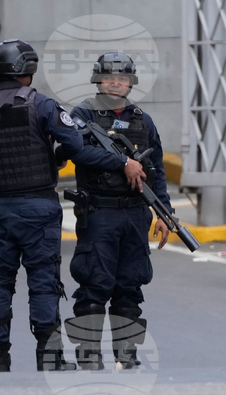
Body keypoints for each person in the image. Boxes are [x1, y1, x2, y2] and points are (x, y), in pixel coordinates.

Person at [0, 40, 131, 373]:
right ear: (28, 70)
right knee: (42, 281)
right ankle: (49, 356)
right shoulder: (42, 105)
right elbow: (74, 144)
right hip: (37, 207)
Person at [67, 53, 171, 370]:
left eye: (122, 79)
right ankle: (88, 355)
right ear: (98, 79)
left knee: (130, 285)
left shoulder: (142, 119)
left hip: (135, 213)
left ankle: (126, 355)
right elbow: (77, 152)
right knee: (94, 283)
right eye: (110, 77)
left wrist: (164, 213)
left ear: (130, 83)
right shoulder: (83, 113)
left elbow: (157, 170)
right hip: (100, 211)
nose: (116, 83)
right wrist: (122, 162)